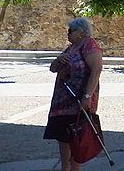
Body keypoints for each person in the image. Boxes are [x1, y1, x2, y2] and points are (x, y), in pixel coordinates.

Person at [44, 17, 103, 171]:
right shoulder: (70, 48)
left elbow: (96, 70)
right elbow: (53, 68)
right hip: (63, 102)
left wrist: (87, 96)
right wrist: (58, 60)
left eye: (71, 31)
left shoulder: (89, 46)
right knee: (63, 138)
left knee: (77, 139)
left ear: (81, 32)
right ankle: (65, 168)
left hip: (78, 100)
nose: (68, 34)